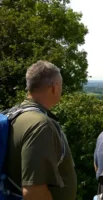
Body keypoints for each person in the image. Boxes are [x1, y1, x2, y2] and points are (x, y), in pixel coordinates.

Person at [5, 60, 77, 200]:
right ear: (54, 87)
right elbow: (34, 192)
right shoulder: (40, 125)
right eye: (61, 85)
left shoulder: (14, 114)